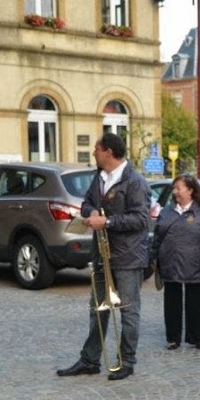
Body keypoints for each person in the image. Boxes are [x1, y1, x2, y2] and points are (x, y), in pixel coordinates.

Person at [56, 132, 150, 381]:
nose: (94, 152)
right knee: (98, 309)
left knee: (128, 311)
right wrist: (92, 211)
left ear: (108, 152)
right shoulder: (99, 177)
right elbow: (86, 202)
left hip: (128, 257)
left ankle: (126, 361)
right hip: (101, 254)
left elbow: (141, 220)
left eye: (97, 148)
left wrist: (106, 221)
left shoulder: (135, 181)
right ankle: (90, 360)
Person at [151, 175, 200, 350]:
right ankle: (173, 338)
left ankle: (196, 337)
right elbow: (157, 237)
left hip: (196, 263)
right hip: (170, 263)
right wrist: (153, 258)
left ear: (190, 190)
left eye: (179, 188)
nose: (175, 192)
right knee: (172, 302)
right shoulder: (167, 211)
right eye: (174, 188)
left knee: (196, 302)